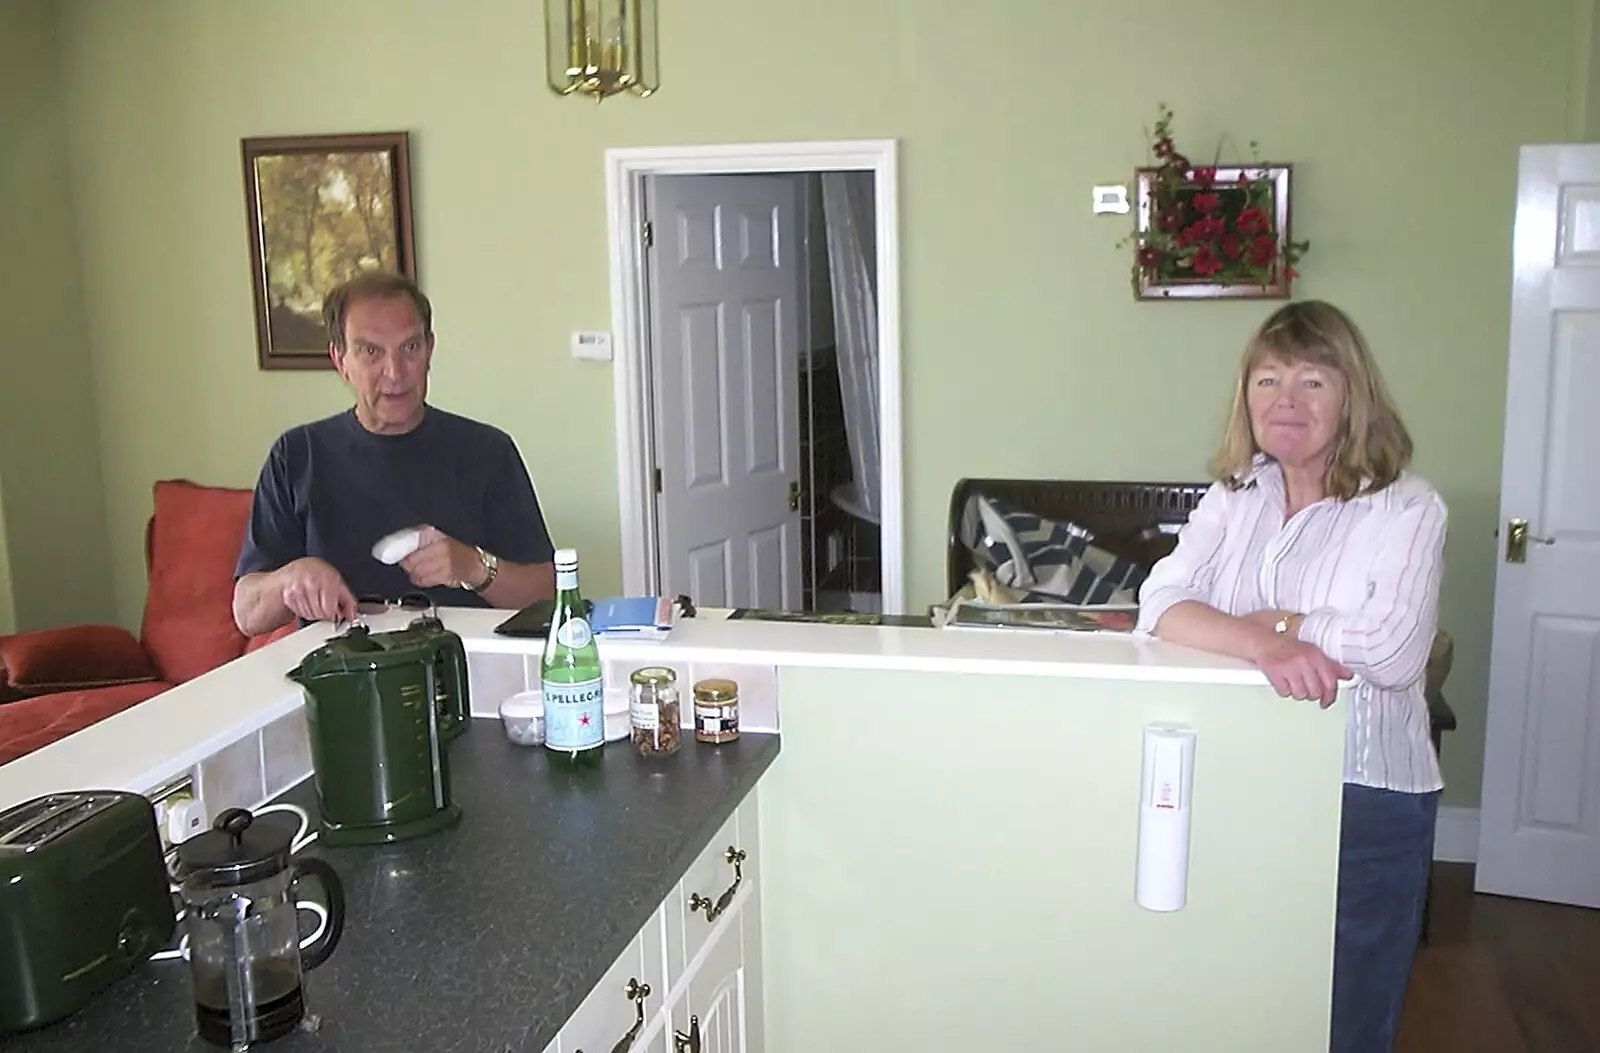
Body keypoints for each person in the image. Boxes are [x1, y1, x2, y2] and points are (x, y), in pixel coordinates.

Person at [1135, 300, 1446, 1053]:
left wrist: (1282, 625)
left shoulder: (1407, 508)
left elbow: (1395, 650)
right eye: (1268, 379)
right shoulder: (1234, 497)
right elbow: (1159, 603)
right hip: (1244, 781)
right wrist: (1261, 642)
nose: (1285, 400)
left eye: (1312, 380)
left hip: (1364, 797)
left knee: (1348, 1020)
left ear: (1352, 396)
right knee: (1248, 1001)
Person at [232, 271, 556, 635]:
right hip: (339, 672)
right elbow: (247, 613)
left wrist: (474, 567)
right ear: (341, 361)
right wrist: (290, 579)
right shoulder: (296, 456)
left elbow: (547, 596)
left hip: (461, 669)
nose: (395, 372)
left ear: (430, 349)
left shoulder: (488, 452)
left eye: (410, 348)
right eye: (371, 352)